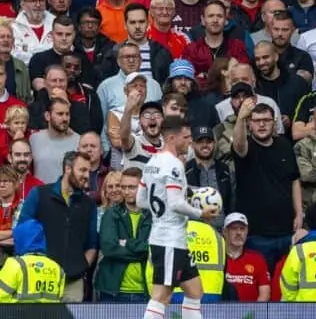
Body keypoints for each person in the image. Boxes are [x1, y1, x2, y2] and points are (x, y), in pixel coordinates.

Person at [136, 116, 218, 319]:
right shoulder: (174, 164)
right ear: (172, 138)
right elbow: (175, 203)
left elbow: (140, 200)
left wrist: (161, 208)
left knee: (195, 290)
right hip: (169, 240)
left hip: (170, 237)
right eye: (186, 137)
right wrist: (201, 213)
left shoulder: (151, 162)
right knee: (162, 295)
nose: (190, 141)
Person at [18, 151, 97, 303]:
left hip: (73, 282)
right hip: (40, 279)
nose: (87, 175)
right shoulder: (39, 194)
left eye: (89, 171)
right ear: (68, 169)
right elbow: (23, 233)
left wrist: (81, 267)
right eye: (82, 170)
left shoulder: (89, 204)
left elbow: (92, 244)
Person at [232, 102, 303, 271]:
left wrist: (299, 213)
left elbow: (294, 180)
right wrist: (241, 117)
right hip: (257, 234)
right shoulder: (246, 146)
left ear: (274, 122)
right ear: (249, 123)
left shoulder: (285, 146)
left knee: (286, 286)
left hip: (287, 230)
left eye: (266, 120)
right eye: (256, 121)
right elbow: (239, 145)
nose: (262, 124)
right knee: (262, 289)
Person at [95, 167, 152, 302]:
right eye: (124, 187)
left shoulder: (152, 216)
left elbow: (153, 250)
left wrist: (126, 243)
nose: (126, 192)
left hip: (145, 290)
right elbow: (109, 248)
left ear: (143, 187)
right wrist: (142, 251)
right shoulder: (111, 214)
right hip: (113, 290)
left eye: (132, 187)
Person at [0, 220, 65, 303]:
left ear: (21, 240)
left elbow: (1, 297)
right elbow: (59, 298)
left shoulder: (14, 264)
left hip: (18, 314)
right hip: (48, 315)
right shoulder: (57, 268)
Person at [223, 212, 271, 302]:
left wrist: (252, 315)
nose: (238, 233)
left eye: (242, 229)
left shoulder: (257, 259)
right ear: (225, 232)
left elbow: (265, 294)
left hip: (251, 314)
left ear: (247, 231)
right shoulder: (217, 258)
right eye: (234, 229)